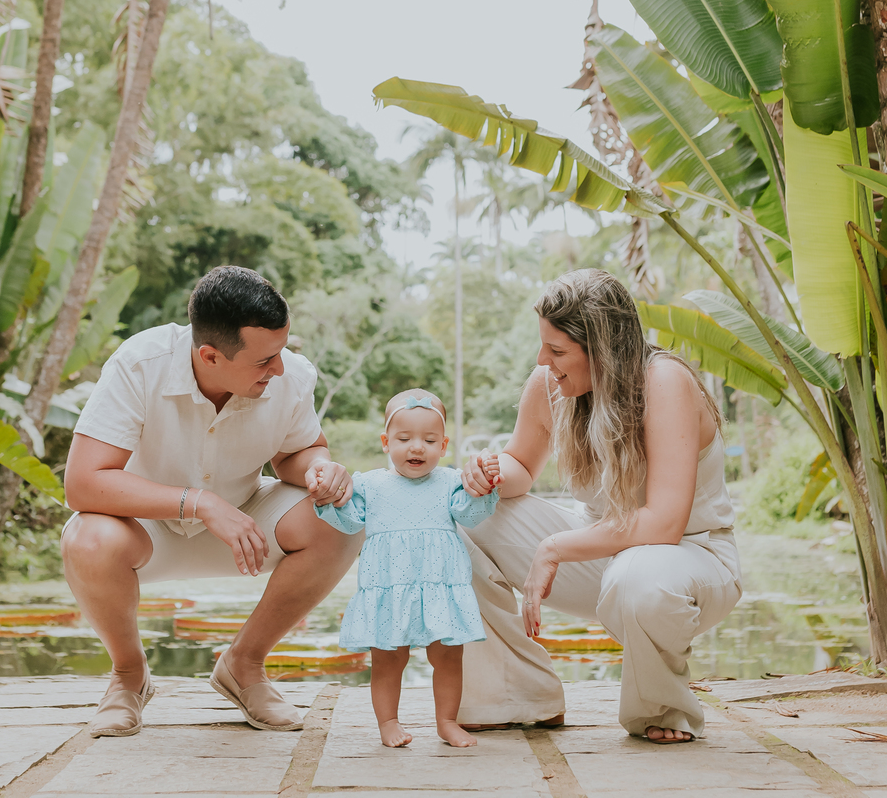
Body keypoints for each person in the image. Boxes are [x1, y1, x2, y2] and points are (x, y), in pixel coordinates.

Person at [61, 265, 360, 738]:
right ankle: (128, 676)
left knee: (343, 517)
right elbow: (82, 484)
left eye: (281, 351)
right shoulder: (140, 363)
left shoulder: (290, 375)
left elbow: (296, 453)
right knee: (87, 538)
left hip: (245, 520)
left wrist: (319, 469)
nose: (278, 368)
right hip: (144, 529)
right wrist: (199, 502)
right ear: (210, 355)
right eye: (264, 361)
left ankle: (244, 664)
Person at [458, 268, 741, 742]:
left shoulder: (664, 382)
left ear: (603, 350)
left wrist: (553, 548)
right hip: (604, 555)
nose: (543, 359)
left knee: (640, 578)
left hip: (690, 561)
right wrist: (486, 473)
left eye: (557, 350)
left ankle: (659, 708)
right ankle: (518, 693)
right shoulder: (549, 383)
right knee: (461, 512)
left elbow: (666, 523)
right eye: (544, 346)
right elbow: (521, 466)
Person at [315, 389, 500, 748]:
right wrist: (329, 498)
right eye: (405, 438)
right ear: (386, 442)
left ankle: (447, 721)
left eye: (429, 440)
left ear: (443, 445)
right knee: (388, 657)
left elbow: (470, 515)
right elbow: (350, 522)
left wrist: (483, 488)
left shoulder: (449, 481)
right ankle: (388, 723)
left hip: (439, 585)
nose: (417, 447)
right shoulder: (369, 484)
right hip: (389, 585)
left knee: (448, 655)